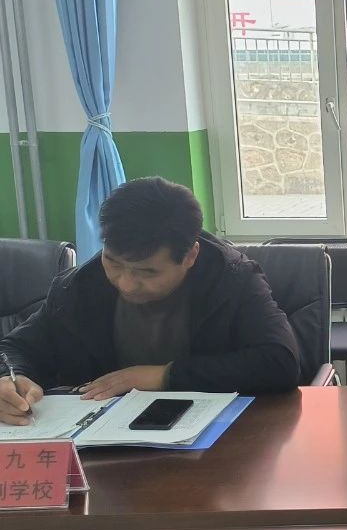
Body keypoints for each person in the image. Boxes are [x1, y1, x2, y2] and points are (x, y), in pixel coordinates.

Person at [0, 177, 300, 425]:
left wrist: (163, 376)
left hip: (216, 442)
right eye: (113, 262)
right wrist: (10, 378)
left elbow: (279, 362)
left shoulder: (232, 280)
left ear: (190, 256)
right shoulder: (78, 288)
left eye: (147, 272)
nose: (126, 284)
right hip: (103, 447)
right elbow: (15, 348)